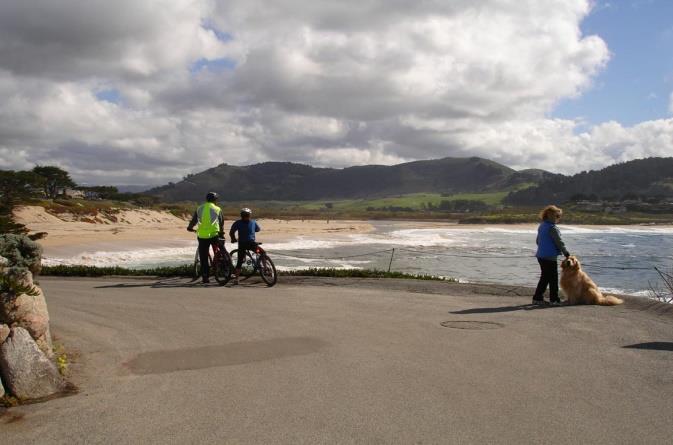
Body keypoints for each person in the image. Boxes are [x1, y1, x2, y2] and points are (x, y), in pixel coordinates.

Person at [533, 205, 570, 306]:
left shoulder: (542, 226)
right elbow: (559, 242)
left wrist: (543, 248)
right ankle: (554, 300)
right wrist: (566, 253)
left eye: (559, 216)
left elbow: (537, 241)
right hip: (549, 257)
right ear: (550, 215)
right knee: (553, 279)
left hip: (540, 256)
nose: (558, 218)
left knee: (544, 278)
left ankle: (537, 298)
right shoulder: (552, 228)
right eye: (557, 216)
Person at [187, 192, 224, 284]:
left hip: (202, 236)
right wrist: (221, 233)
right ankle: (224, 269)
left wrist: (190, 228)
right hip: (214, 234)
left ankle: (205, 277)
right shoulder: (217, 209)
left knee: (203, 257)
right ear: (215, 200)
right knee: (221, 251)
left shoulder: (199, 208)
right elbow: (221, 222)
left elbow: (194, 220)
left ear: (206, 199)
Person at [230, 207, 261, 284]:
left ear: (241, 215)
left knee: (239, 262)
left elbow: (231, 232)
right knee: (263, 253)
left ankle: (236, 279)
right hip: (251, 243)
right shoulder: (253, 222)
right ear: (249, 215)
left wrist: (233, 239)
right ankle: (264, 267)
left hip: (242, 244)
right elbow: (258, 229)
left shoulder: (237, 222)